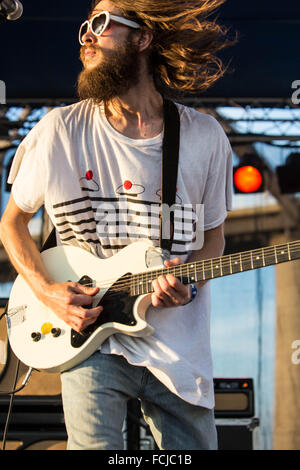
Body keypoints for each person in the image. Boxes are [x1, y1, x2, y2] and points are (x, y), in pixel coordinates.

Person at [0, 0, 233, 450]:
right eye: (85, 26)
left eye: (102, 24)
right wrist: (48, 291)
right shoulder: (59, 131)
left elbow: (214, 239)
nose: (87, 35)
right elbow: (12, 223)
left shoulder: (205, 137)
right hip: (91, 339)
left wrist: (191, 283)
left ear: (142, 38)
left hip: (178, 348)